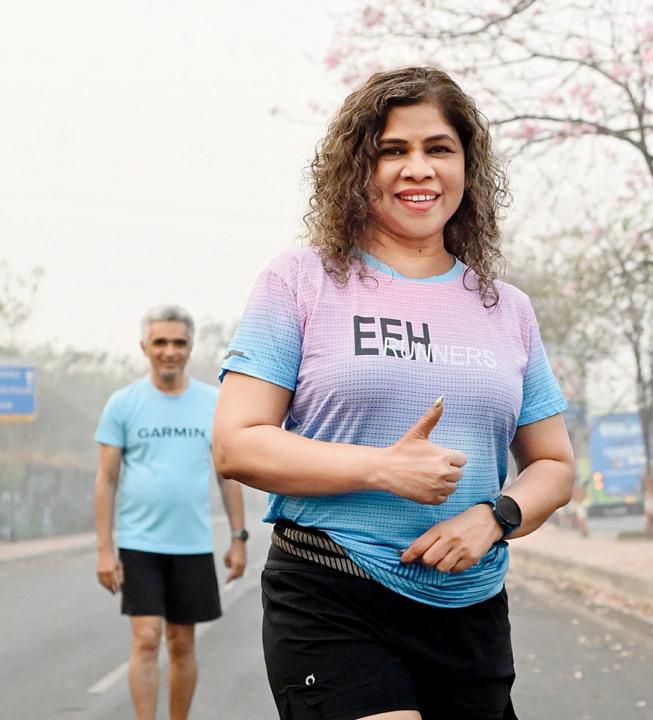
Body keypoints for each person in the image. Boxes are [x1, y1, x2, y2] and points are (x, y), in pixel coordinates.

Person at [212, 66, 574, 720]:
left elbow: (553, 464)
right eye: (392, 150)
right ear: (359, 167)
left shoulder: (507, 308)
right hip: (333, 589)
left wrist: (495, 517)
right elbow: (236, 444)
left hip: (471, 607)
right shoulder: (301, 280)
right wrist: (381, 467)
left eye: (439, 148)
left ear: (467, 166)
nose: (419, 168)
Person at [94, 304, 247, 720]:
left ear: (190, 347)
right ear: (144, 346)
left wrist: (239, 538)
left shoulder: (212, 403)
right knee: (146, 638)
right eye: (160, 342)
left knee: (181, 643)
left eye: (178, 342)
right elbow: (106, 479)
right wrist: (105, 550)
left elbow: (227, 476)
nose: (169, 351)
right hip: (139, 544)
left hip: (192, 544)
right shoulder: (123, 404)